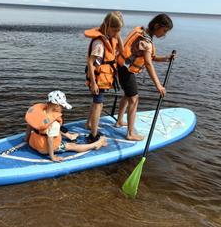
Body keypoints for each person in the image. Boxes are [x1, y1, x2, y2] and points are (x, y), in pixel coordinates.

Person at [116, 13, 174, 141]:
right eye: (164, 31)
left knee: (128, 95)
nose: (164, 34)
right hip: (126, 70)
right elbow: (148, 63)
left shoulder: (141, 31)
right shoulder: (146, 41)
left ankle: (119, 121)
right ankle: (130, 133)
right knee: (134, 99)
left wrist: (165, 58)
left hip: (122, 67)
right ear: (156, 25)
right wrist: (158, 85)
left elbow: (150, 58)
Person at [25, 90, 107, 162]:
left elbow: (29, 126)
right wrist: (52, 156)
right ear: (57, 106)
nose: (62, 109)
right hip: (44, 149)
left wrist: (26, 140)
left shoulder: (38, 114)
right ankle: (95, 145)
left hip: (33, 143)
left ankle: (70, 136)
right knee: (72, 146)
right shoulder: (54, 123)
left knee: (49, 130)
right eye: (62, 107)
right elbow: (50, 140)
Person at [84, 11, 124, 143]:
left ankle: (89, 124)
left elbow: (122, 50)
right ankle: (93, 135)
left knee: (97, 103)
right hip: (97, 78)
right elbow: (90, 62)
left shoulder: (109, 38)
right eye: (115, 30)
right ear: (107, 26)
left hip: (103, 77)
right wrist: (94, 83)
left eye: (119, 31)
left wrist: (117, 35)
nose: (117, 33)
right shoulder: (100, 43)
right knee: (98, 105)